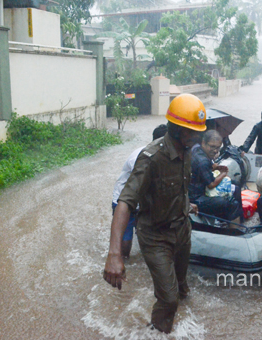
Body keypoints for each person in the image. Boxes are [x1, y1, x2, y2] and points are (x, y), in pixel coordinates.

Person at [103, 93, 206, 334]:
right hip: (156, 236)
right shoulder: (151, 158)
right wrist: (114, 254)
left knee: (182, 288)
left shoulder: (187, 149)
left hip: (182, 229)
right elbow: (125, 202)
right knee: (169, 300)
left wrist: (185, 204)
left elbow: (178, 186)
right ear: (178, 129)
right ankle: (158, 332)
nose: (198, 135)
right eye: (194, 131)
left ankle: (181, 319)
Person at [111, 124, 168, 259]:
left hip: (143, 203)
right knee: (124, 246)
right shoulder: (141, 156)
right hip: (125, 202)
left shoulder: (162, 157)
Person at [189, 130, 243, 227]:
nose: (215, 151)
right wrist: (223, 173)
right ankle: (235, 232)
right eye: (212, 147)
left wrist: (215, 166)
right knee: (232, 204)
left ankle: (235, 219)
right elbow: (211, 184)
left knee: (236, 187)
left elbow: (208, 166)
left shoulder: (197, 148)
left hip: (201, 185)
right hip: (196, 198)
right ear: (203, 143)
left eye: (218, 148)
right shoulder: (202, 161)